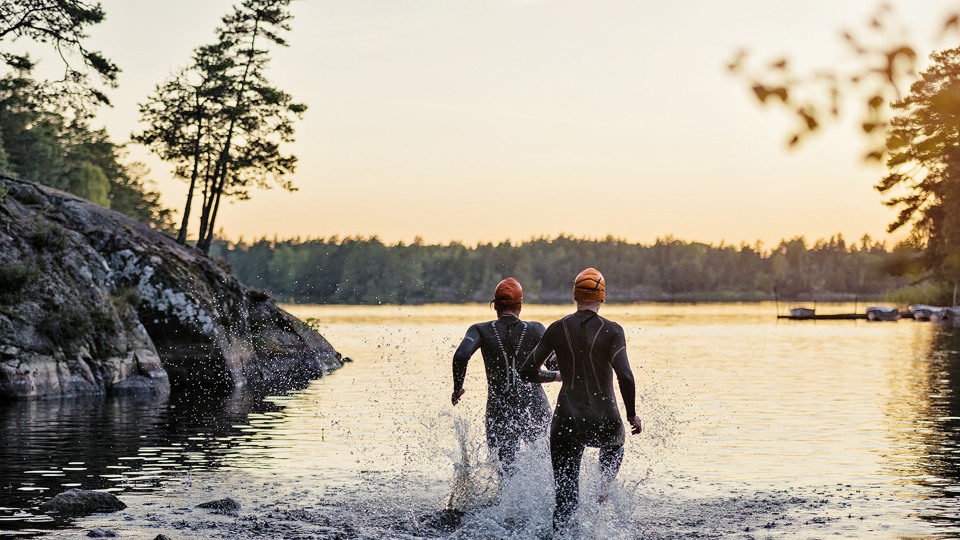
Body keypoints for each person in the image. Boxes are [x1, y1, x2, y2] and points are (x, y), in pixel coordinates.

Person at [519, 267, 642, 530]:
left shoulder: (556, 328)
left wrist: (556, 376)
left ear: (575, 296)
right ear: (602, 298)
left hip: (566, 422)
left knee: (565, 500)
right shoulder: (613, 330)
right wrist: (631, 415)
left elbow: (527, 371)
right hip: (606, 420)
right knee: (615, 445)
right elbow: (626, 376)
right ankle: (603, 493)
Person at [451, 277, 555, 474]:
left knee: (505, 473)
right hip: (535, 406)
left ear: (495, 306)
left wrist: (458, 387)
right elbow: (554, 364)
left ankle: (507, 504)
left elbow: (462, 355)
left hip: (500, 409)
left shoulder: (480, 330)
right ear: (520, 306)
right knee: (546, 466)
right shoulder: (536, 329)